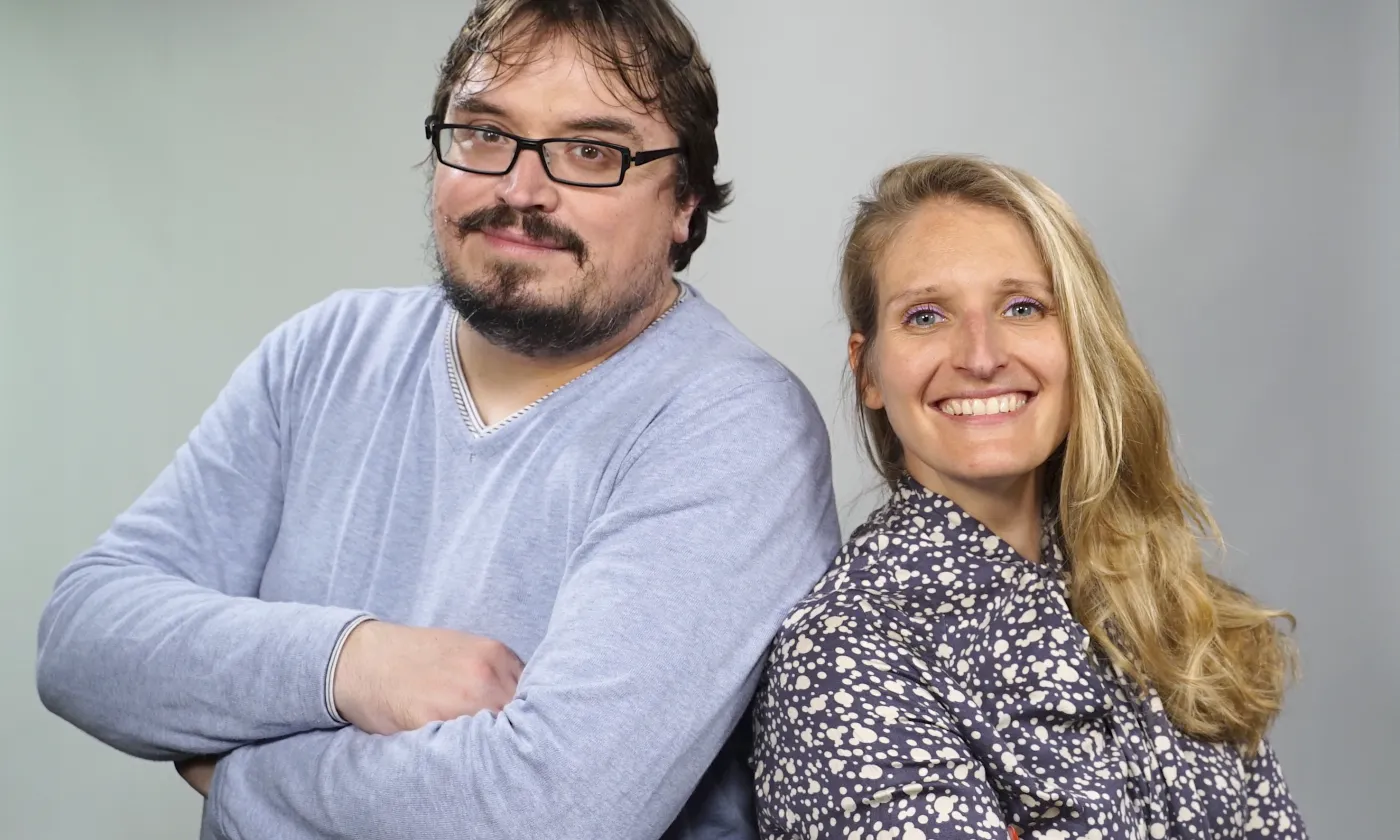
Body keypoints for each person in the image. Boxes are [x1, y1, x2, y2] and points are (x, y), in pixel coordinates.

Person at [35, 2, 842, 838]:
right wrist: (352, 662)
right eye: (485, 133)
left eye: (592, 151)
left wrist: (243, 780)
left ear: (685, 202)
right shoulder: (324, 351)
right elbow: (83, 641)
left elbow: (548, 813)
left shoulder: (731, 424)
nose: (522, 190)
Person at [750, 154, 1306, 839]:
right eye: (926, 316)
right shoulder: (843, 654)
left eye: (1022, 307)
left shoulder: (1157, 602)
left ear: (1078, 341)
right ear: (867, 370)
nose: (981, 356)